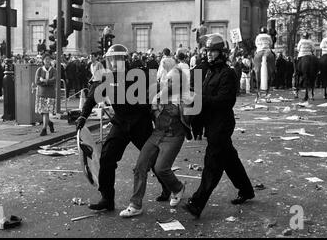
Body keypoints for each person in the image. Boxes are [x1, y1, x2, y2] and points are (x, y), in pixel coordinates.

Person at [76, 44, 170, 211]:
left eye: (116, 59)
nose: (112, 62)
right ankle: (107, 198)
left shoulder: (137, 76)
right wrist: (83, 115)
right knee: (107, 158)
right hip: (120, 124)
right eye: (111, 59)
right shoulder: (107, 78)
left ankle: (168, 186)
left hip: (139, 123)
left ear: (123, 60)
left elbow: (149, 99)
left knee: (154, 158)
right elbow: (92, 97)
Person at [183, 34, 255, 218]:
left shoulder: (228, 73)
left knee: (213, 164)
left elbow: (225, 101)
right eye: (207, 51)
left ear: (221, 53)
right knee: (230, 160)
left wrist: (200, 99)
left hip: (222, 124)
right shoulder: (210, 72)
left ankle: (197, 203)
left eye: (212, 51)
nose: (209, 54)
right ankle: (246, 190)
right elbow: (196, 84)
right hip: (211, 123)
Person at [120, 65, 192, 218]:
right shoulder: (157, 94)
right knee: (140, 166)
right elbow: (141, 107)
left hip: (174, 136)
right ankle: (135, 205)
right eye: (167, 79)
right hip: (157, 134)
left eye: (172, 81)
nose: (168, 83)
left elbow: (194, 118)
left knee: (161, 168)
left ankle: (178, 188)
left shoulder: (186, 98)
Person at [35, 54, 56, 137]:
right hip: (41, 93)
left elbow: (54, 80)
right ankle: (49, 123)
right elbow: (37, 81)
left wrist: (44, 81)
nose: (47, 61)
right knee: (42, 112)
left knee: (46, 112)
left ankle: (44, 129)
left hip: (50, 93)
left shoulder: (54, 70)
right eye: (46, 59)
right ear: (43, 61)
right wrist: (47, 82)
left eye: (49, 59)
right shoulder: (39, 70)